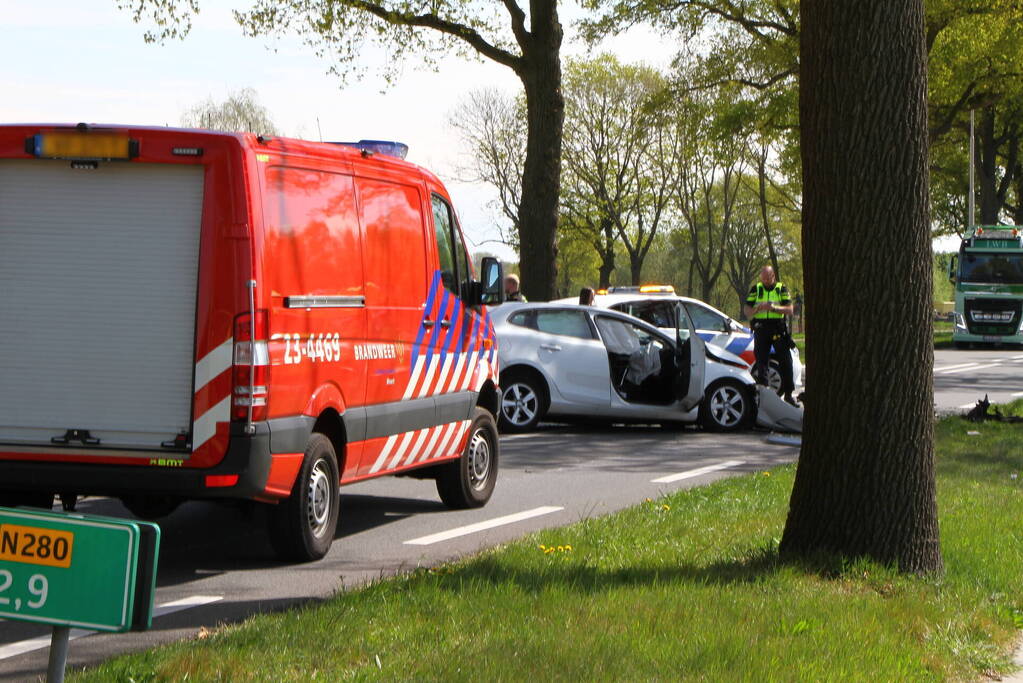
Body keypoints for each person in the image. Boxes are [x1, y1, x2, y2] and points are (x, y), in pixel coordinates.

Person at [744, 265, 797, 406]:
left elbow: (790, 309)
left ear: (773, 276)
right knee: (761, 363)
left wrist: (774, 308)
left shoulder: (781, 288)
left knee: (786, 361)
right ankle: (764, 396)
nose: (766, 281)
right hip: (761, 329)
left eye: (768, 278)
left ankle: (789, 394)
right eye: (764, 278)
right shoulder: (756, 289)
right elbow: (747, 311)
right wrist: (758, 308)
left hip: (777, 329)